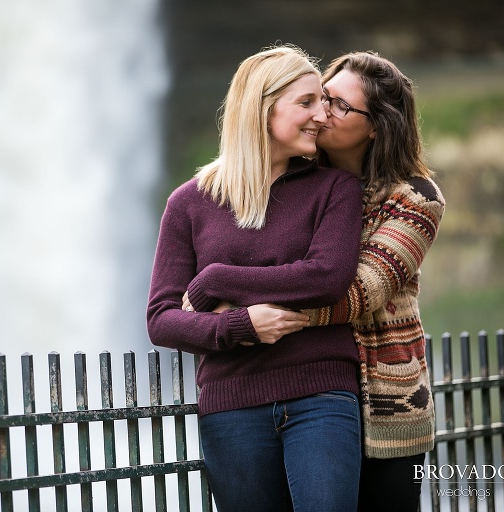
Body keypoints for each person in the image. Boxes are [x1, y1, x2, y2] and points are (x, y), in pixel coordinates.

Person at [185, 51, 445, 512]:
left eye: (341, 106)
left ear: (377, 126)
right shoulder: (297, 182)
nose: (324, 112)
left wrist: (244, 309)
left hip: (386, 403)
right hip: (316, 395)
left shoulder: (414, 197)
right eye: (322, 98)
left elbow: (358, 293)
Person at [146, 45, 364, 512]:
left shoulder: (336, 190)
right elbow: (162, 319)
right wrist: (240, 327)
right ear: (262, 110)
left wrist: (218, 279)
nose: (322, 116)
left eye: (324, 103)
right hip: (231, 407)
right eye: (306, 103)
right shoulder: (188, 203)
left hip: (321, 398)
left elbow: (327, 277)